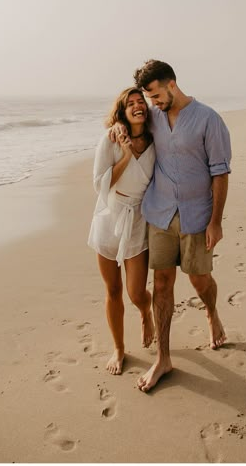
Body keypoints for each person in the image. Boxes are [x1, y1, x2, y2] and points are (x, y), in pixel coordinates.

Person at [109, 60, 231, 392]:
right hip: (159, 213)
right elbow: (126, 123)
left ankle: (211, 313)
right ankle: (163, 358)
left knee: (199, 279)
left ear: (171, 84)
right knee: (161, 283)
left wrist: (216, 222)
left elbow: (220, 172)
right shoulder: (154, 119)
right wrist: (119, 130)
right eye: (147, 97)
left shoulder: (209, 119)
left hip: (197, 215)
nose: (151, 103)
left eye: (155, 95)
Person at [88, 87, 156, 375]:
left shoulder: (157, 137)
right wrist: (126, 155)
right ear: (122, 111)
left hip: (138, 219)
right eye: (131, 103)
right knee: (113, 290)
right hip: (109, 217)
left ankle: (144, 312)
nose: (138, 105)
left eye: (141, 101)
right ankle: (119, 348)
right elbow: (100, 184)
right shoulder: (111, 139)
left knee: (137, 292)